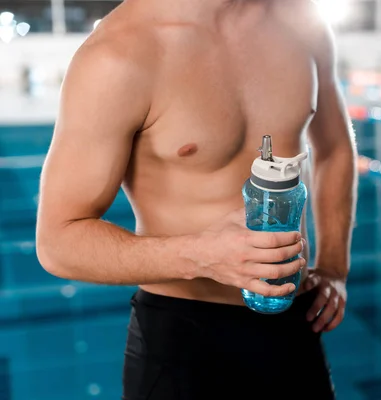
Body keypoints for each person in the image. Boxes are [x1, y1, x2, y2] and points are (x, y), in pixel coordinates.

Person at [36, 0, 357, 398]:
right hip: (182, 342)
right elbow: (58, 242)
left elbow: (334, 150)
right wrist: (202, 255)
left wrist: (334, 269)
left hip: (294, 325)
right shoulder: (120, 53)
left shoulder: (300, 19)